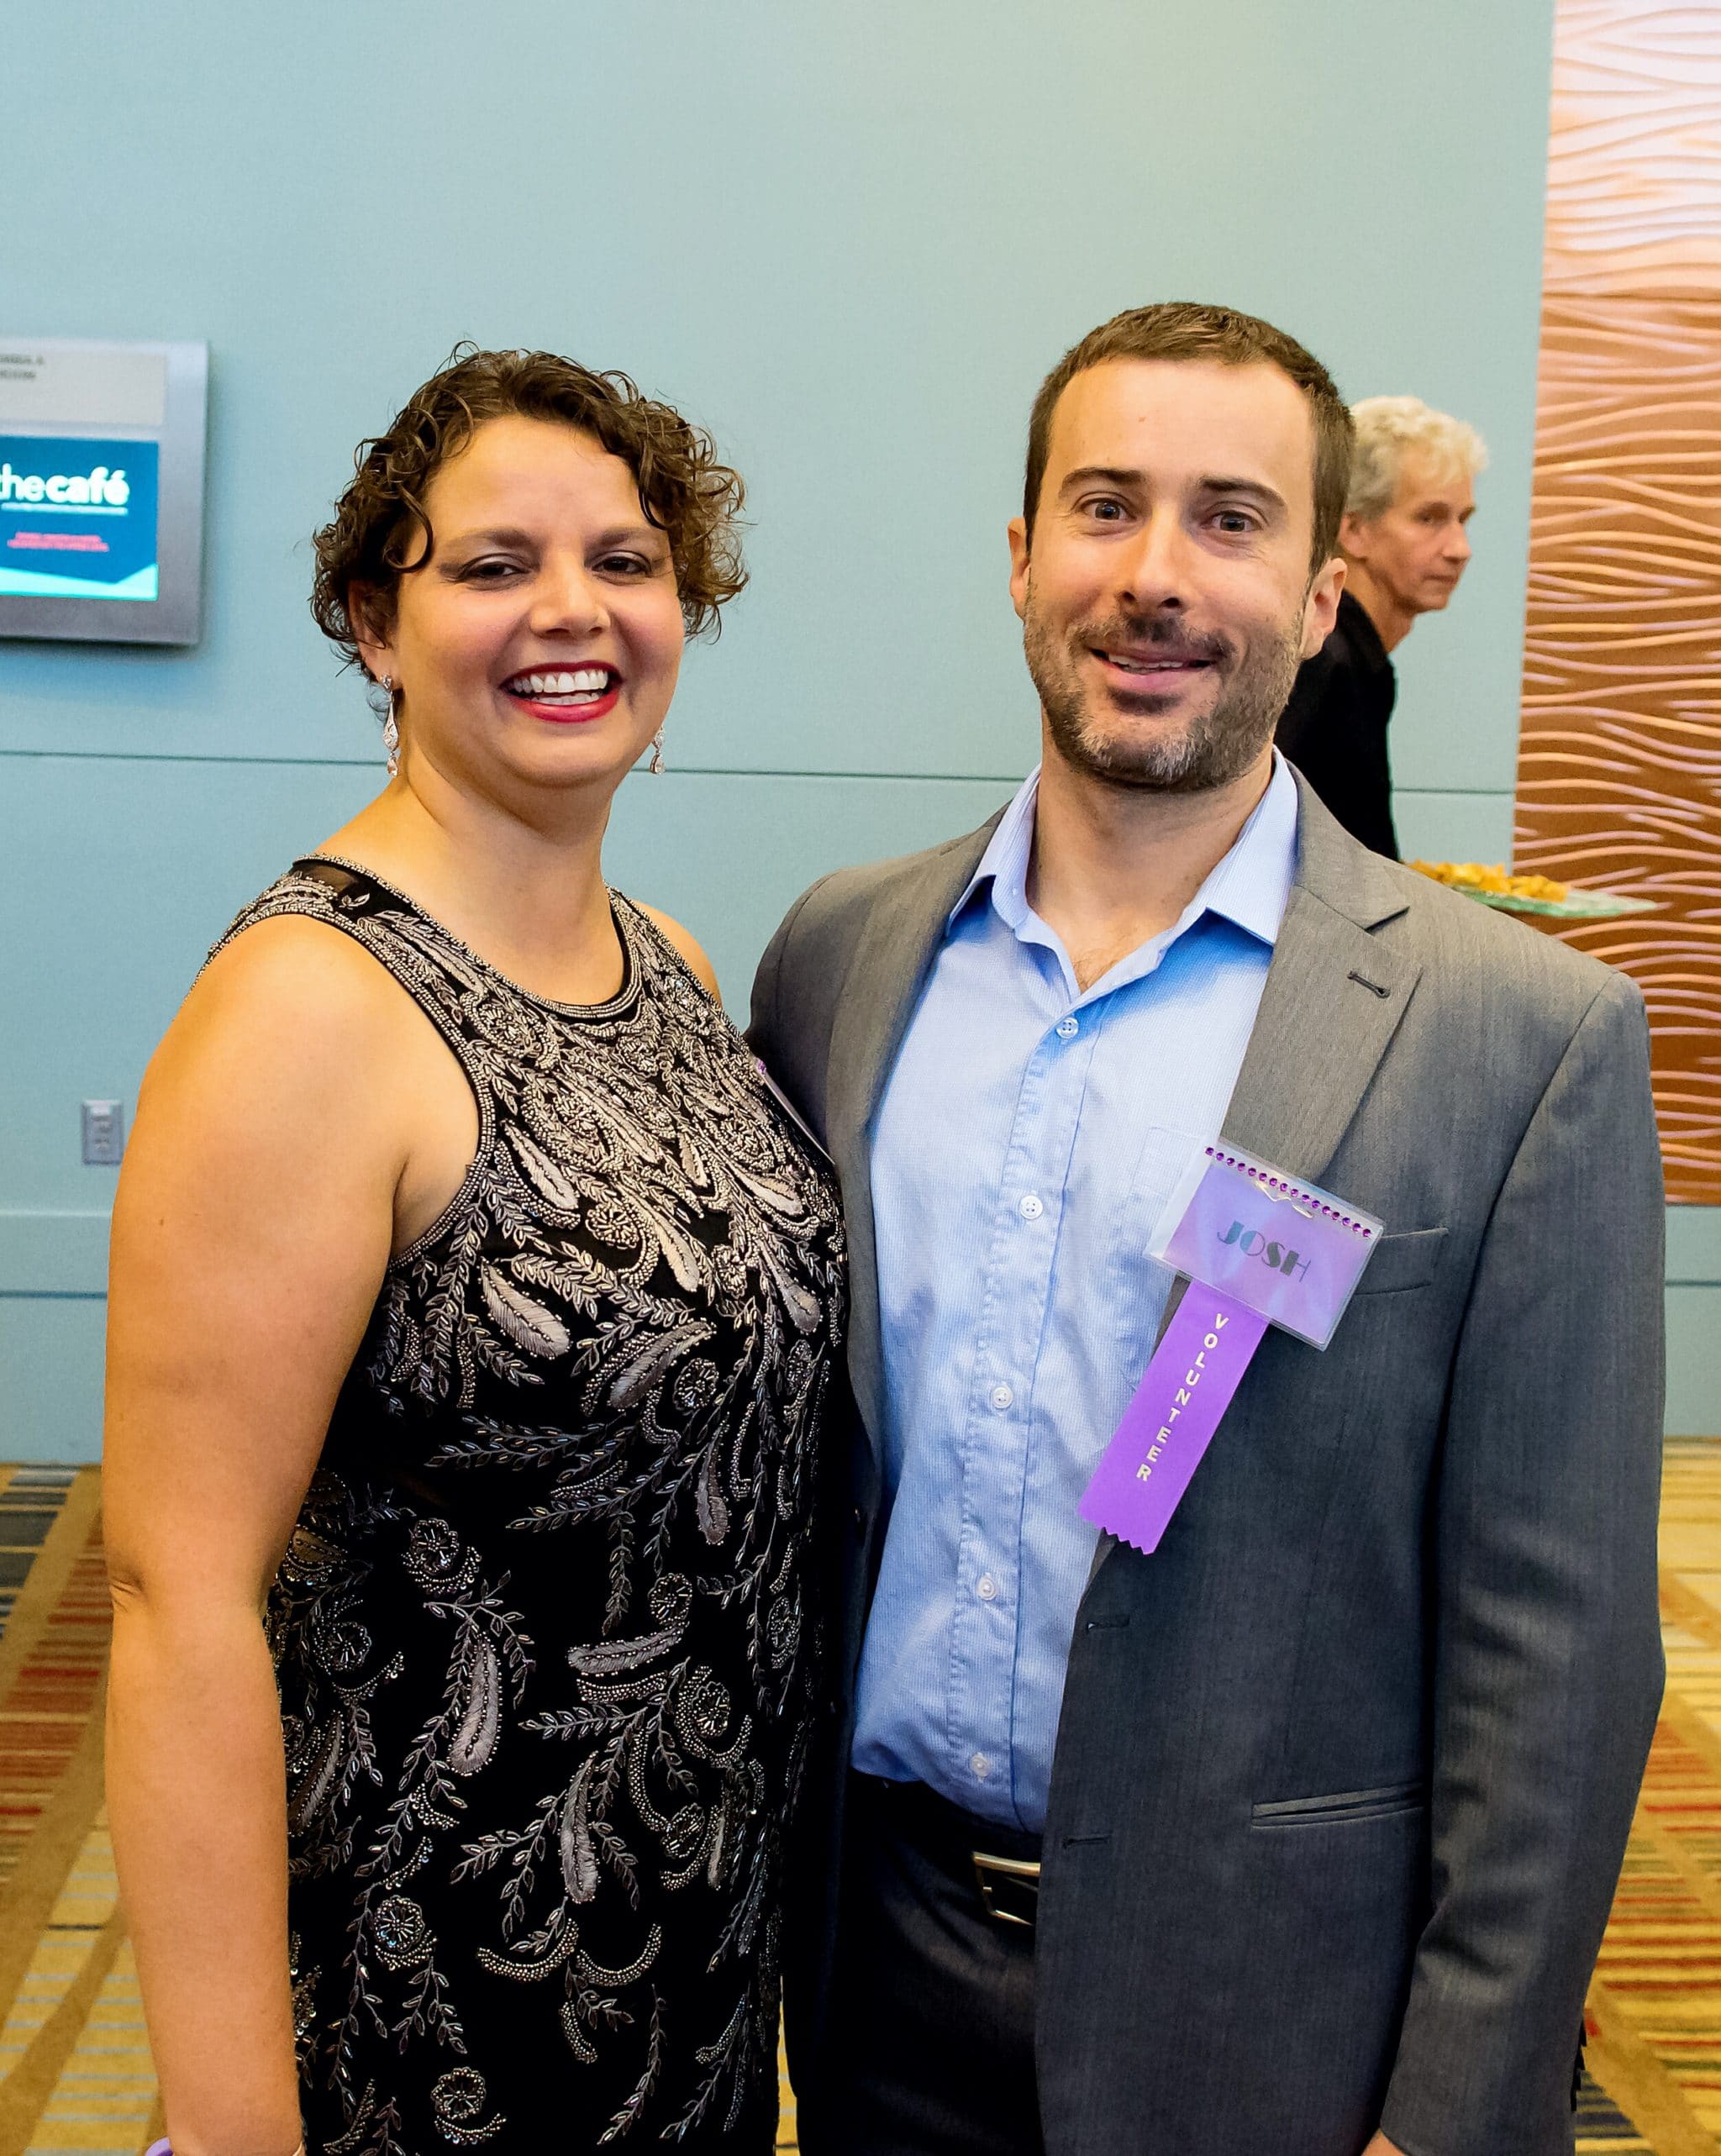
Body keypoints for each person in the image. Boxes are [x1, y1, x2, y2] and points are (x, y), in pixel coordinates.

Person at [750, 303, 1664, 2156]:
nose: (1155, 575)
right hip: (873, 1980)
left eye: (1229, 519)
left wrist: (1453, 2110)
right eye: (1104, 507)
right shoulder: (840, 961)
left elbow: (1557, 1650)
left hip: (1284, 2014)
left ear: (1319, 595)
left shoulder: (1515, 1036)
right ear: (1021, 557)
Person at [103, 349, 846, 2156]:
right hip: (428, 2008)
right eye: (495, 564)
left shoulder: (666, 960)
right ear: (377, 621)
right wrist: (231, 2129)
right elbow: (178, 1604)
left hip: (682, 1969)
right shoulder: (309, 1008)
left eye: (624, 559)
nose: (571, 609)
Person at [1276, 395, 1487, 858]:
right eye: (1429, 518)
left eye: (1463, 520)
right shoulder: (1325, 661)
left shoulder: (1349, 656)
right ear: (1353, 531)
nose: (1460, 549)